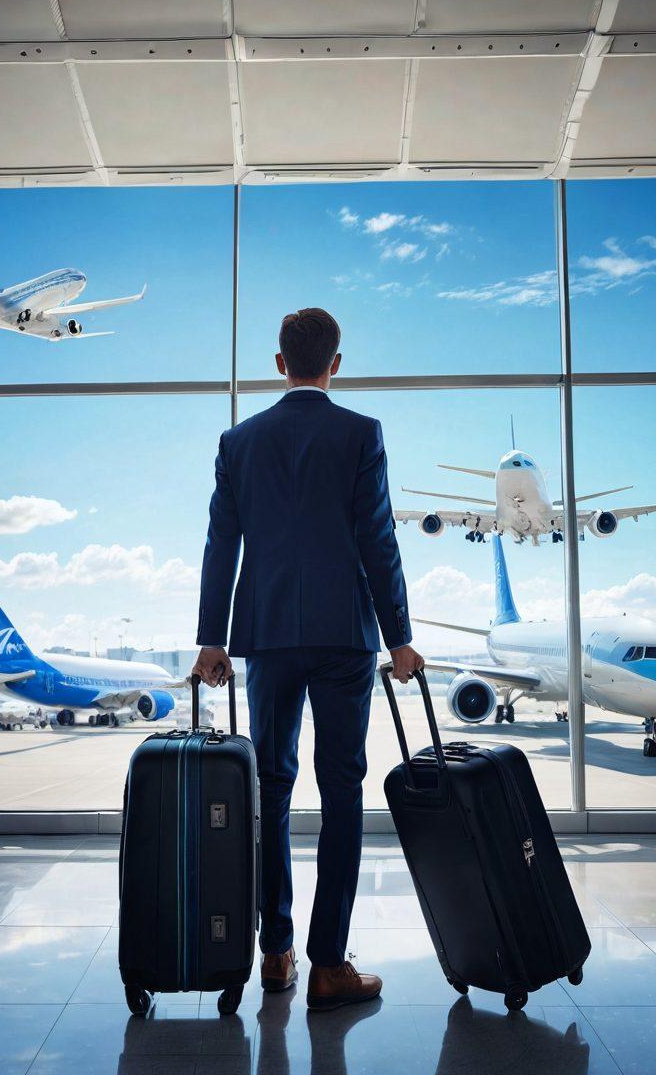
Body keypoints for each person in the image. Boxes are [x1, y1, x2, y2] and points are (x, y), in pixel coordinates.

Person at [193, 307, 423, 1012]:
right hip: (344, 637)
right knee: (343, 790)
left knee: (270, 790)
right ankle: (329, 965)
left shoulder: (240, 441)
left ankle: (275, 952)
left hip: (265, 636)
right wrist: (399, 635)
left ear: (278, 362)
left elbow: (220, 543)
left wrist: (213, 638)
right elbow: (377, 539)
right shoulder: (360, 434)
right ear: (336, 363)